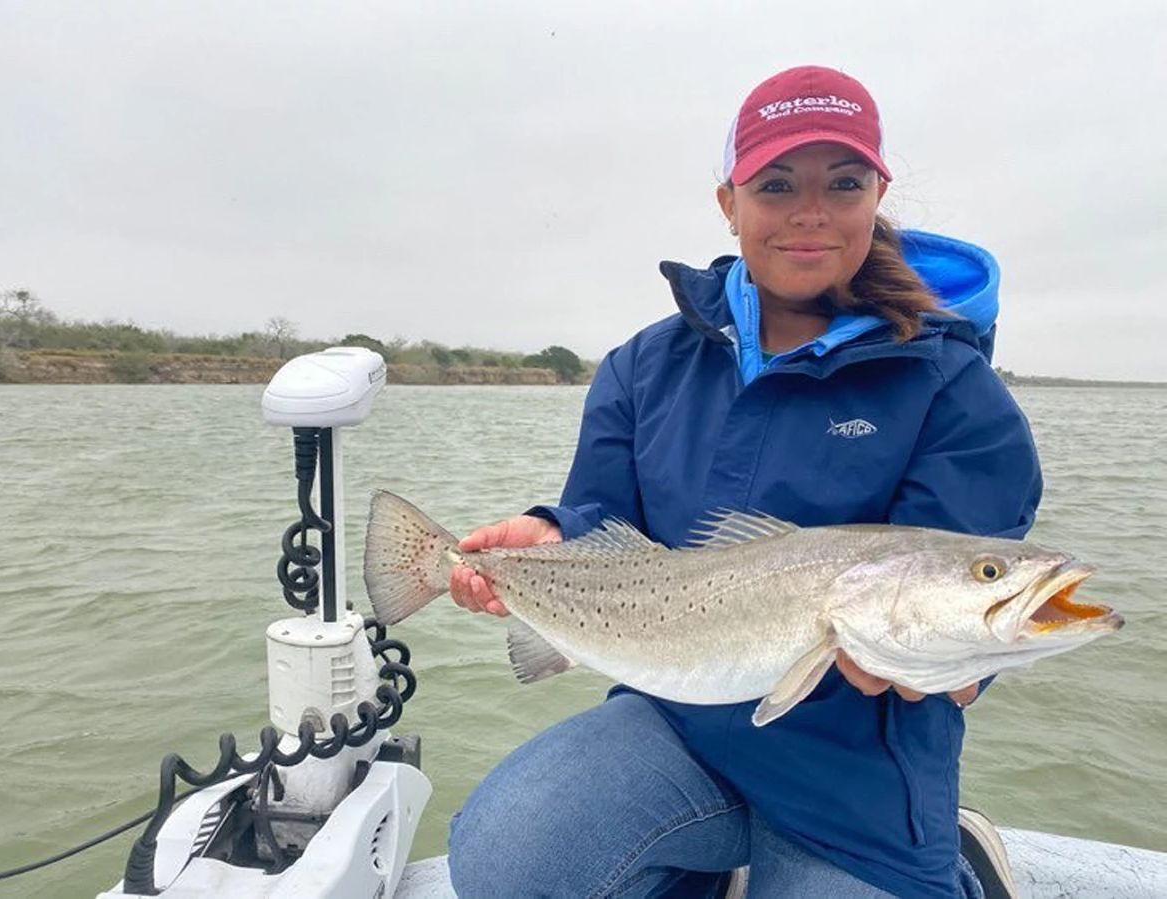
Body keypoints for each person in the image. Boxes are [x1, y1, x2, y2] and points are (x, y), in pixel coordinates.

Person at [445, 65, 1041, 899]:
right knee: (509, 854)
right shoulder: (642, 366)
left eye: (844, 182)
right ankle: (690, 868)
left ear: (878, 193)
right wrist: (553, 533)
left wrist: (955, 662)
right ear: (728, 202)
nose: (810, 211)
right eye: (775, 184)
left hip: (856, 775)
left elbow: (949, 588)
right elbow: (602, 521)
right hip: (677, 722)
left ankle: (954, 859)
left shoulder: (955, 389)